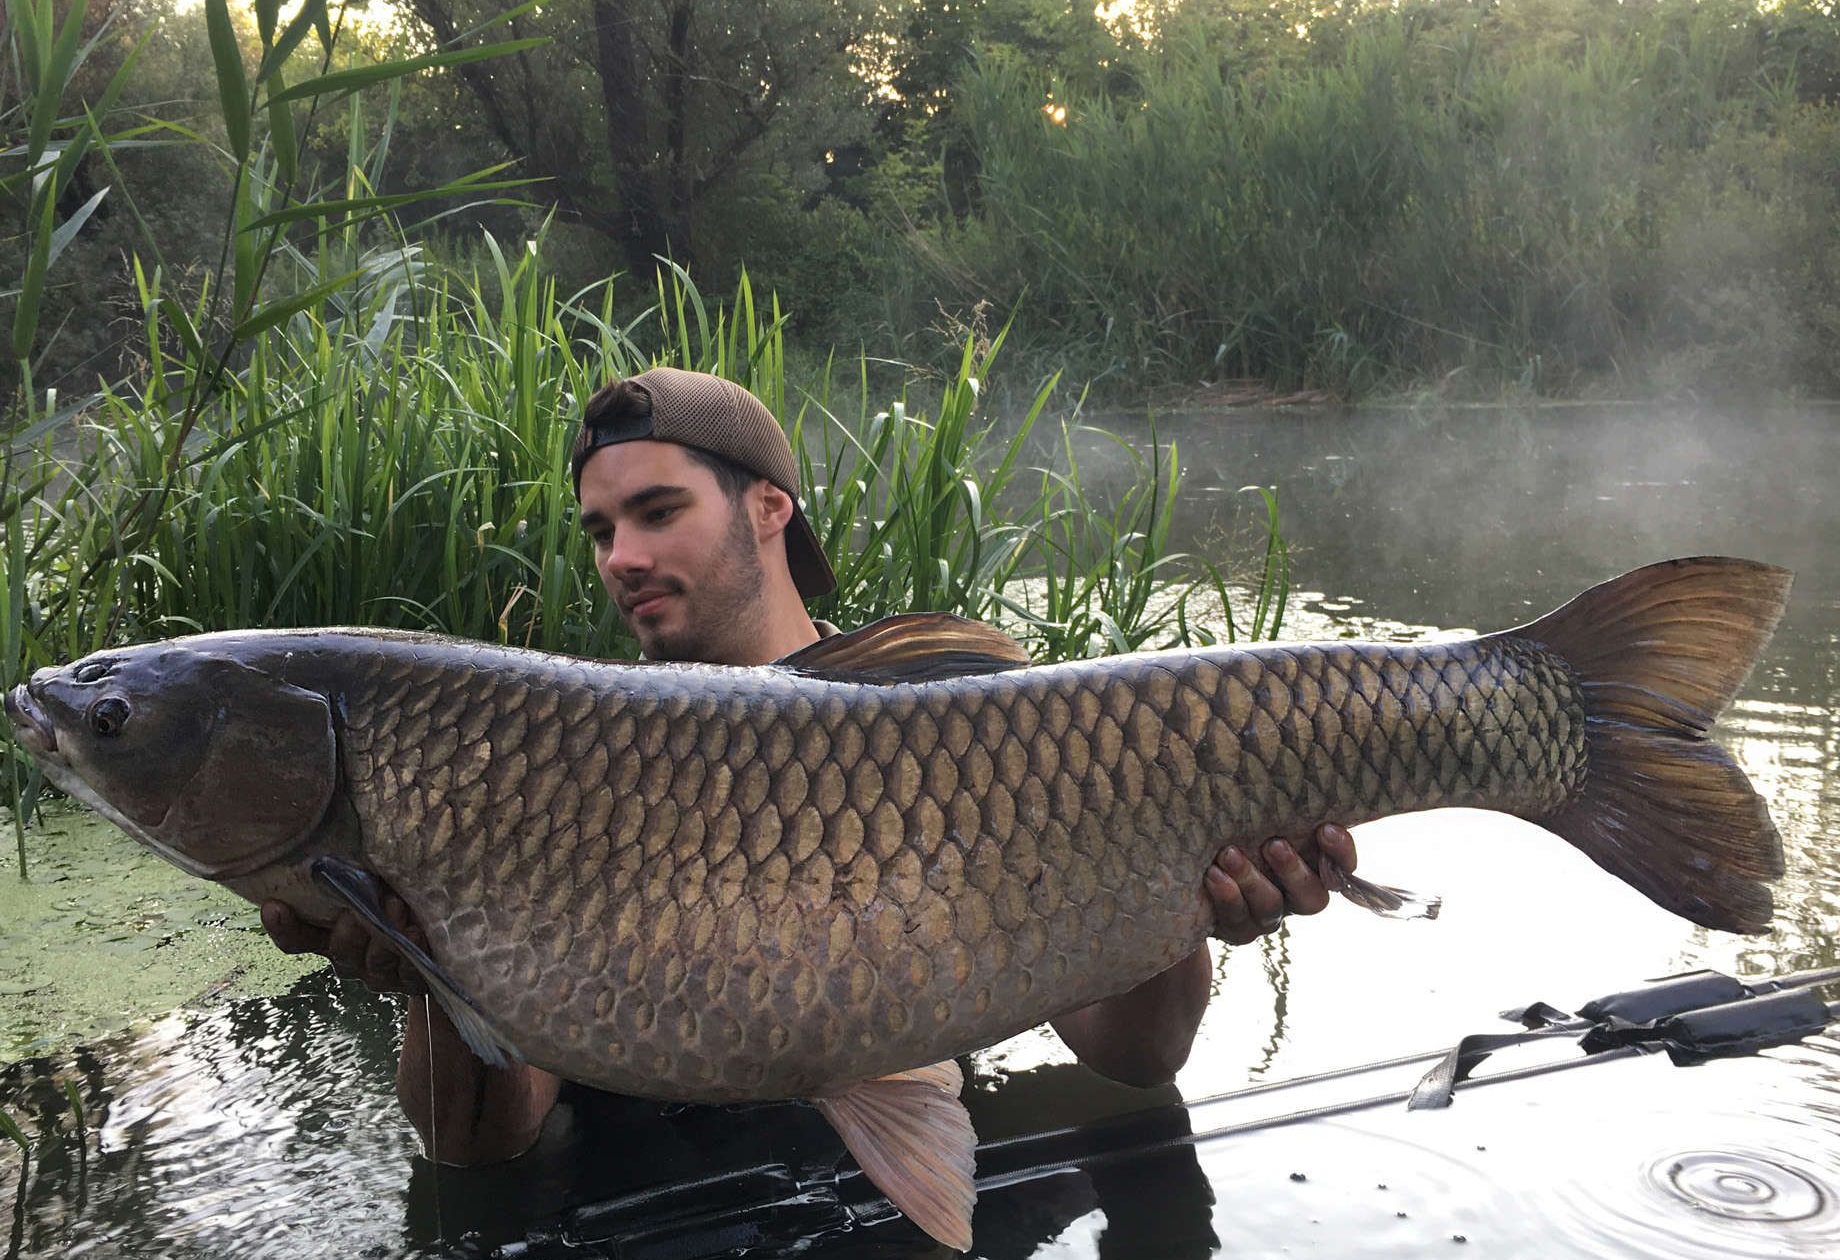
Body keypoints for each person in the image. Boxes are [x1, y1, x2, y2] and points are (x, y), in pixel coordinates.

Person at [260, 367, 1358, 1165]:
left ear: (768, 507)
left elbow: (1137, 1056)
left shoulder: (956, 712)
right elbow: (480, 1149)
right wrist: (425, 973)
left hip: (900, 1232)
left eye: (656, 512)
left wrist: (1193, 901)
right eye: (598, 531)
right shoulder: (553, 759)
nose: (620, 558)